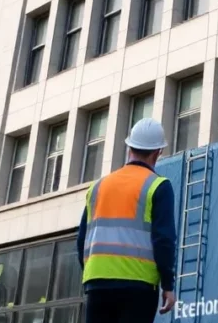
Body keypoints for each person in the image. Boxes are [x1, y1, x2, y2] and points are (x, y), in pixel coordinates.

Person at [77, 118, 178, 323]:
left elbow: (81, 240)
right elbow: (164, 240)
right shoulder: (158, 186)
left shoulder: (98, 187)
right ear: (158, 152)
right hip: (138, 286)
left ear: (129, 147)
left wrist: (93, 273)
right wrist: (168, 284)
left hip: (98, 284)